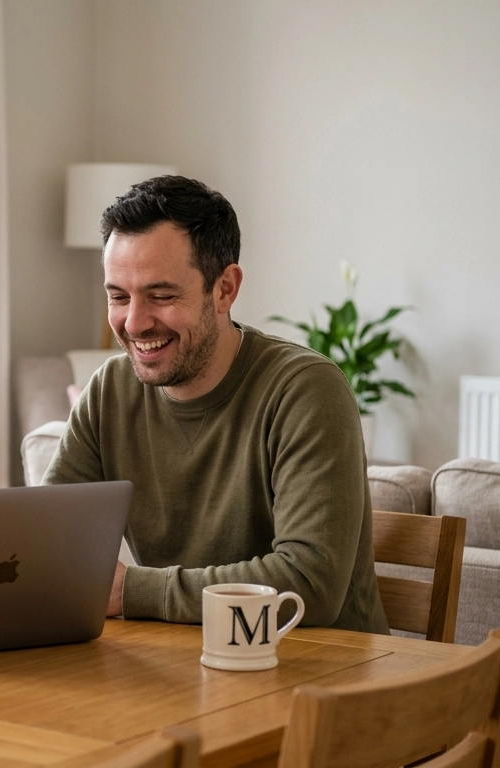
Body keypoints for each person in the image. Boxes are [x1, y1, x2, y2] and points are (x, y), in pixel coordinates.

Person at [44, 175, 389, 634]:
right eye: (118, 297)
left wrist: (133, 591)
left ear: (225, 288)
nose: (134, 322)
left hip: (317, 675)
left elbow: (308, 585)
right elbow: (44, 542)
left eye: (162, 296)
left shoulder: (306, 390)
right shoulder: (111, 389)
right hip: (182, 666)